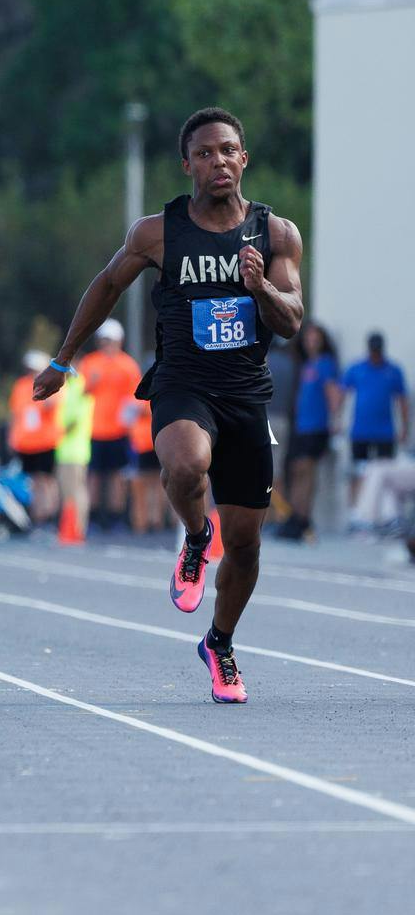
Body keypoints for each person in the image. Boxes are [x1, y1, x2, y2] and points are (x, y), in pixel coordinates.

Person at [34, 107, 303, 703]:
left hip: (245, 392)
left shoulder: (276, 234)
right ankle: (193, 533)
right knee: (185, 466)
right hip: (182, 381)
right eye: (205, 153)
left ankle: (220, 644)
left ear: (244, 158)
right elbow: (106, 287)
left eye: (228, 150)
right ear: (187, 165)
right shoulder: (157, 232)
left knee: (248, 546)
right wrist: (63, 359)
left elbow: (290, 321)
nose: (218, 162)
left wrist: (259, 286)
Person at [77, 318, 143, 529]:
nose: (107, 345)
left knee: (117, 476)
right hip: (95, 428)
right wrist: (92, 382)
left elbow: (135, 396)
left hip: (119, 429)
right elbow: (83, 392)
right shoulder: (91, 362)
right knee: (94, 475)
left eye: (111, 341)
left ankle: (115, 517)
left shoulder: (127, 365)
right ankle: (95, 517)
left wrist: (129, 418)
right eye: (104, 341)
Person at [278, 322, 339, 541]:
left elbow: (333, 393)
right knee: (295, 470)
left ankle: (303, 517)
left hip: (316, 427)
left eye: (316, 338)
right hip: (300, 426)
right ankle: (295, 516)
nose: (312, 341)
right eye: (309, 338)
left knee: (306, 470)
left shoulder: (326, 364)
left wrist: (335, 420)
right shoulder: (304, 365)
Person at [342, 332, 408, 504]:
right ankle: (356, 513)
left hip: (384, 433)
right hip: (360, 432)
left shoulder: (393, 371)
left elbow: (402, 401)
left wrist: (405, 429)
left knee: (385, 475)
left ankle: (384, 514)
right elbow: (343, 393)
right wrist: (336, 420)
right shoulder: (357, 368)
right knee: (357, 473)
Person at [8, 350, 62, 526]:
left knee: (46, 480)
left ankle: (48, 515)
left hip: (45, 441)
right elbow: (16, 414)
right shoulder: (21, 385)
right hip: (26, 442)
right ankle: (37, 515)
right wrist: (12, 437)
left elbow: (53, 405)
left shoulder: (48, 383)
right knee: (33, 481)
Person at [54, 365, 95, 542]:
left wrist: (55, 432)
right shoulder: (70, 388)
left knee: (75, 491)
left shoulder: (80, 388)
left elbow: (75, 420)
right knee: (69, 491)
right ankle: (72, 527)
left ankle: (76, 528)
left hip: (74, 450)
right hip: (65, 449)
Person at [128, 395, 161, 534]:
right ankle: (144, 520)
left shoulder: (153, 396)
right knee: (146, 485)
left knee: (155, 485)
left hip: (152, 443)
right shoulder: (139, 396)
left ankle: (153, 520)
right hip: (143, 445)